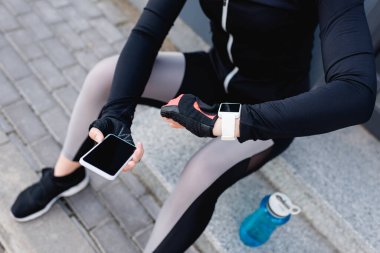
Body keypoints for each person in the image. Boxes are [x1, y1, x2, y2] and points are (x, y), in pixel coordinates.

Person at [11, 0, 376, 252]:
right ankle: (66, 175)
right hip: (216, 73)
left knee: (201, 170)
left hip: (268, 107)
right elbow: (148, 32)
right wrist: (118, 112)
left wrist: (227, 121)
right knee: (105, 76)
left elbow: (356, 92)